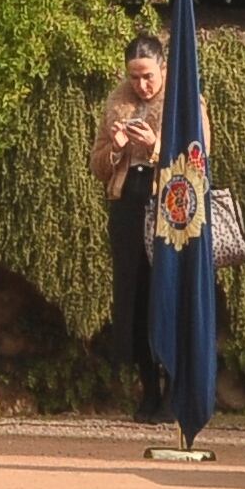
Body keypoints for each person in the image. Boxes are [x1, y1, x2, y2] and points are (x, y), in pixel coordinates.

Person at [93, 36, 173, 420]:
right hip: (128, 203)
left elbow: (198, 156)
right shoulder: (116, 103)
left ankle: (174, 387)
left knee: (167, 292)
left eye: (148, 77)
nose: (142, 85)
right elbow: (97, 166)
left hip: (170, 207)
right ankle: (148, 389)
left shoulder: (184, 102)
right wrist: (117, 147)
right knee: (134, 294)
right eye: (135, 77)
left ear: (163, 69)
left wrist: (156, 147)